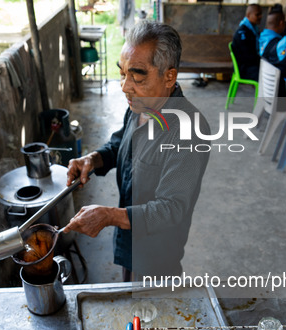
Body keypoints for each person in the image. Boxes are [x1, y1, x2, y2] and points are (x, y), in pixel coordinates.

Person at [64, 21, 210, 281]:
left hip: (156, 257)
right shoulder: (141, 106)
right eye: (122, 74)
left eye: (137, 75)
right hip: (130, 242)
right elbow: (120, 143)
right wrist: (93, 159)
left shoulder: (189, 131)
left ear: (169, 76)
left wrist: (108, 215)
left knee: (150, 312)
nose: (125, 87)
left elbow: (171, 208)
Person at [231, 4, 263, 80]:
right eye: (257, 14)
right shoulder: (243, 33)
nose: (260, 17)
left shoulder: (254, 30)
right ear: (248, 15)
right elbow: (248, 56)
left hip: (249, 66)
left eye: (261, 14)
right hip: (243, 69)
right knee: (266, 75)